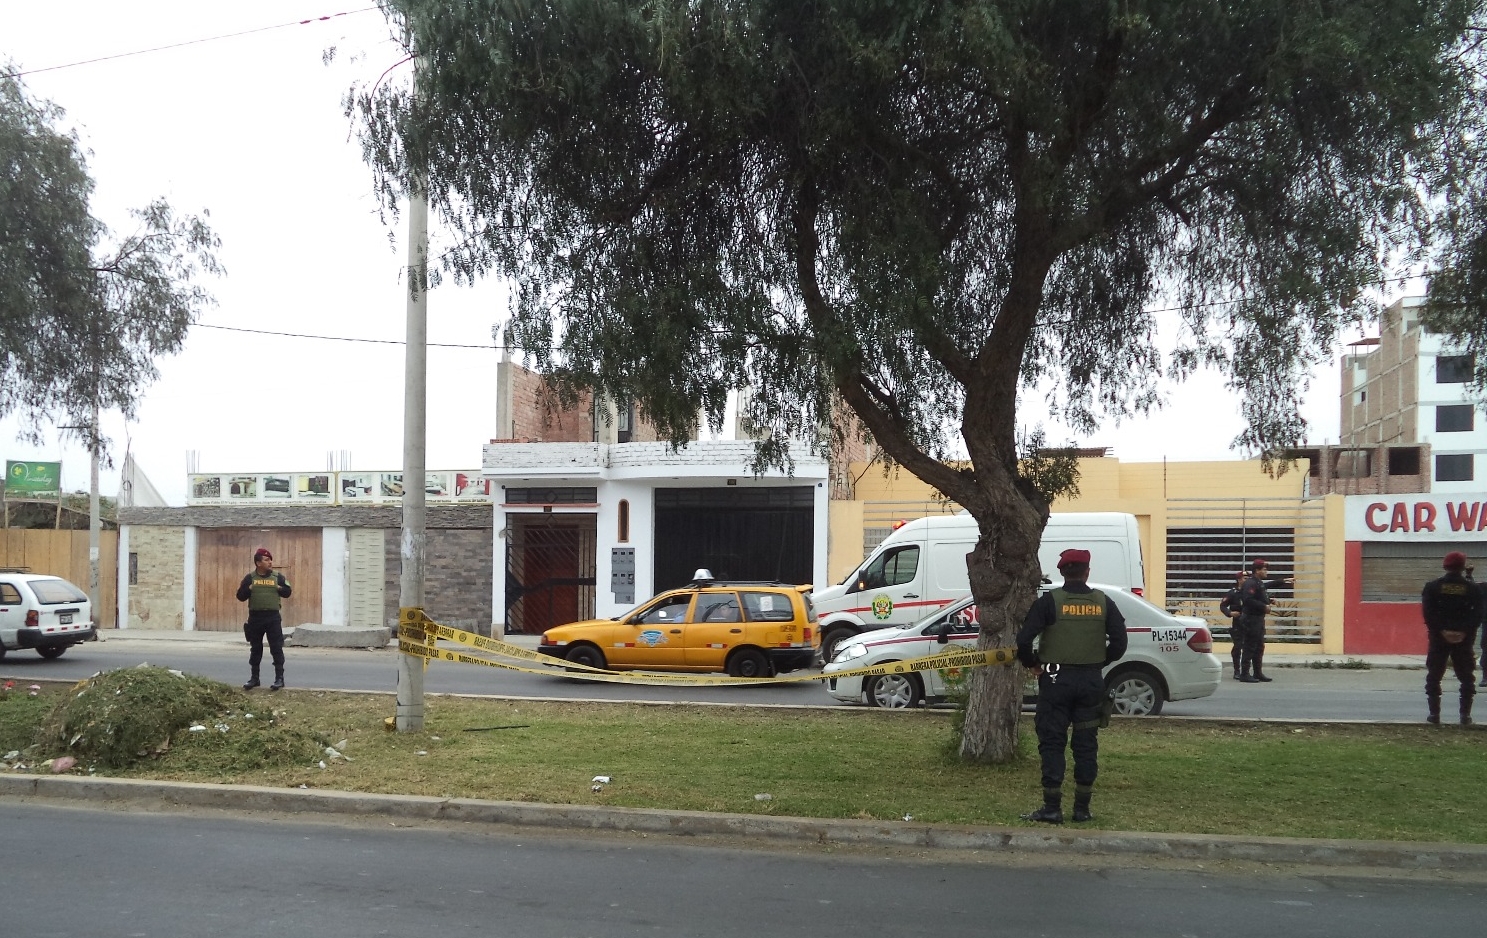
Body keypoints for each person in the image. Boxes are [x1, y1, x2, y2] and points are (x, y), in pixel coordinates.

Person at [1016, 548, 1127, 825]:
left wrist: (1033, 664)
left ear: (1063, 572)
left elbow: (1023, 640)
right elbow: (1120, 643)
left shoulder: (1049, 602)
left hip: (1055, 681)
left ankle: (1052, 808)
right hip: (1090, 682)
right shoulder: (1104, 602)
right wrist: (1098, 662)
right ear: (1087, 572)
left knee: (1052, 742)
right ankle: (1082, 809)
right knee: (1086, 744)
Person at [1421, 551, 1481, 725]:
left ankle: (1434, 715)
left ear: (1445, 566)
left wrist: (1442, 631)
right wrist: (1464, 631)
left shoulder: (1432, 587)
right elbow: (1478, 614)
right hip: (1464, 639)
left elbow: (1428, 613)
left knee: (1434, 676)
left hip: (1439, 639)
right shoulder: (1473, 589)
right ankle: (1465, 715)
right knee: (1467, 677)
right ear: (1462, 567)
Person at [236, 547, 292, 691]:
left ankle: (279, 679)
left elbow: (288, 592)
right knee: (256, 649)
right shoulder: (250, 578)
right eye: (266, 560)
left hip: (272, 618)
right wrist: (248, 589)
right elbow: (240, 596)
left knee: (276, 648)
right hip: (255, 618)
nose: (270, 562)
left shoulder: (278, 577)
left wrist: (279, 588)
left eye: (270, 560)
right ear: (258, 563)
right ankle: (254, 678)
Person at [1235, 558, 1286, 683]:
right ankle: (1244, 673)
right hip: (1251, 619)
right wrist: (1264, 606)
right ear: (1257, 570)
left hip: (1258, 619)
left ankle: (1258, 672)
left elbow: (1259, 596)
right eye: (1264, 569)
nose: (1266, 571)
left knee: (1259, 647)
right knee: (1249, 646)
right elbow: (1248, 600)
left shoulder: (1258, 583)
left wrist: (1268, 601)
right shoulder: (1251, 583)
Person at [1219, 570, 1246, 680]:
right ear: (1239, 580)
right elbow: (1223, 606)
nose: (1247, 580)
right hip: (1238, 624)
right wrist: (1230, 613)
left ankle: (1247, 671)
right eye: (1245, 578)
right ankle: (1237, 670)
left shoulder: (1251, 592)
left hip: (1250, 623)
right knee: (1238, 647)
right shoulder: (1233, 593)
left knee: (1250, 648)